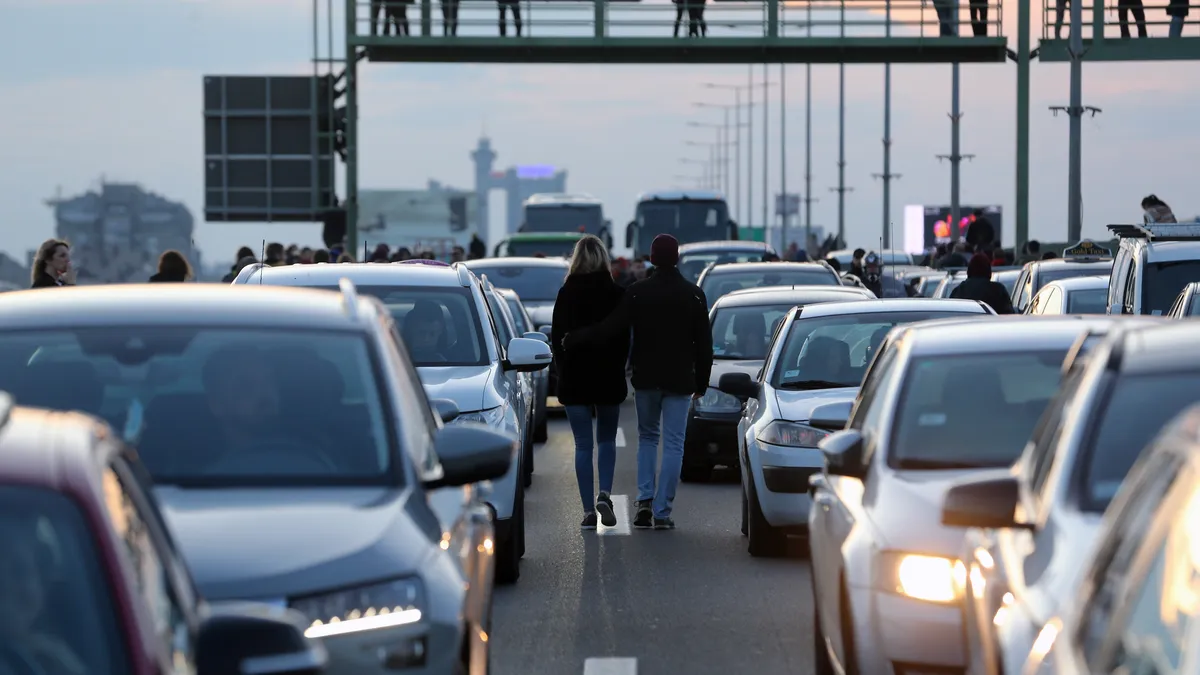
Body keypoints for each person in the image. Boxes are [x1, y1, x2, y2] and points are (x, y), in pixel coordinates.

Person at [563, 234, 713, 530]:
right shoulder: (693, 294)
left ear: (652, 260)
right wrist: (702, 382)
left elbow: (610, 328)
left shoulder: (637, 293)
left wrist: (576, 338)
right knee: (674, 444)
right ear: (678, 258)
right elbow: (704, 345)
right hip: (681, 379)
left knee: (647, 437)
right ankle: (662, 510)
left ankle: (644, 500)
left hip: (646, 379)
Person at [551, 235, 629, 530]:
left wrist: (563, 370)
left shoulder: (566, 293)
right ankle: (605, 494)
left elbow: (557, 339)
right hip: (608, 377)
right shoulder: (617, 294)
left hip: (575, 379)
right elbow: (624, 339)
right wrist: (620, 366)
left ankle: (586, 510)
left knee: (583, 444)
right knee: (606, 440)